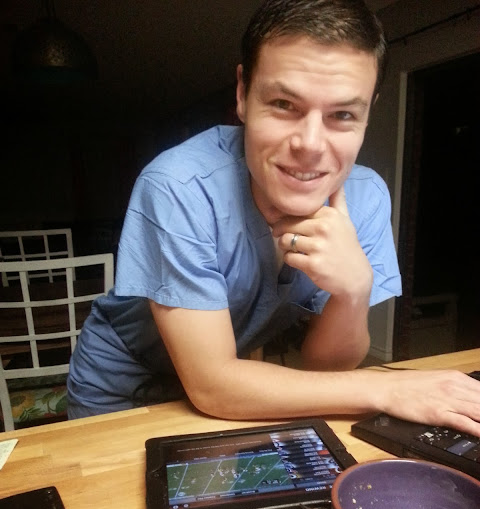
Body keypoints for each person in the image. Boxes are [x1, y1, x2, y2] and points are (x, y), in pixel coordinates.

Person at [67, 0, 480, 436]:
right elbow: (213, 385)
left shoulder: (367, 197)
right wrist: (389, 389)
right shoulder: (179, 186)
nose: (310, 145)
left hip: (235, 387)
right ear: (243, 94)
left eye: (342, 115)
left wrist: (354, 291)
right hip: (124, 383)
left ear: (367, 113)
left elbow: (326, 371)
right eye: (284, 103)